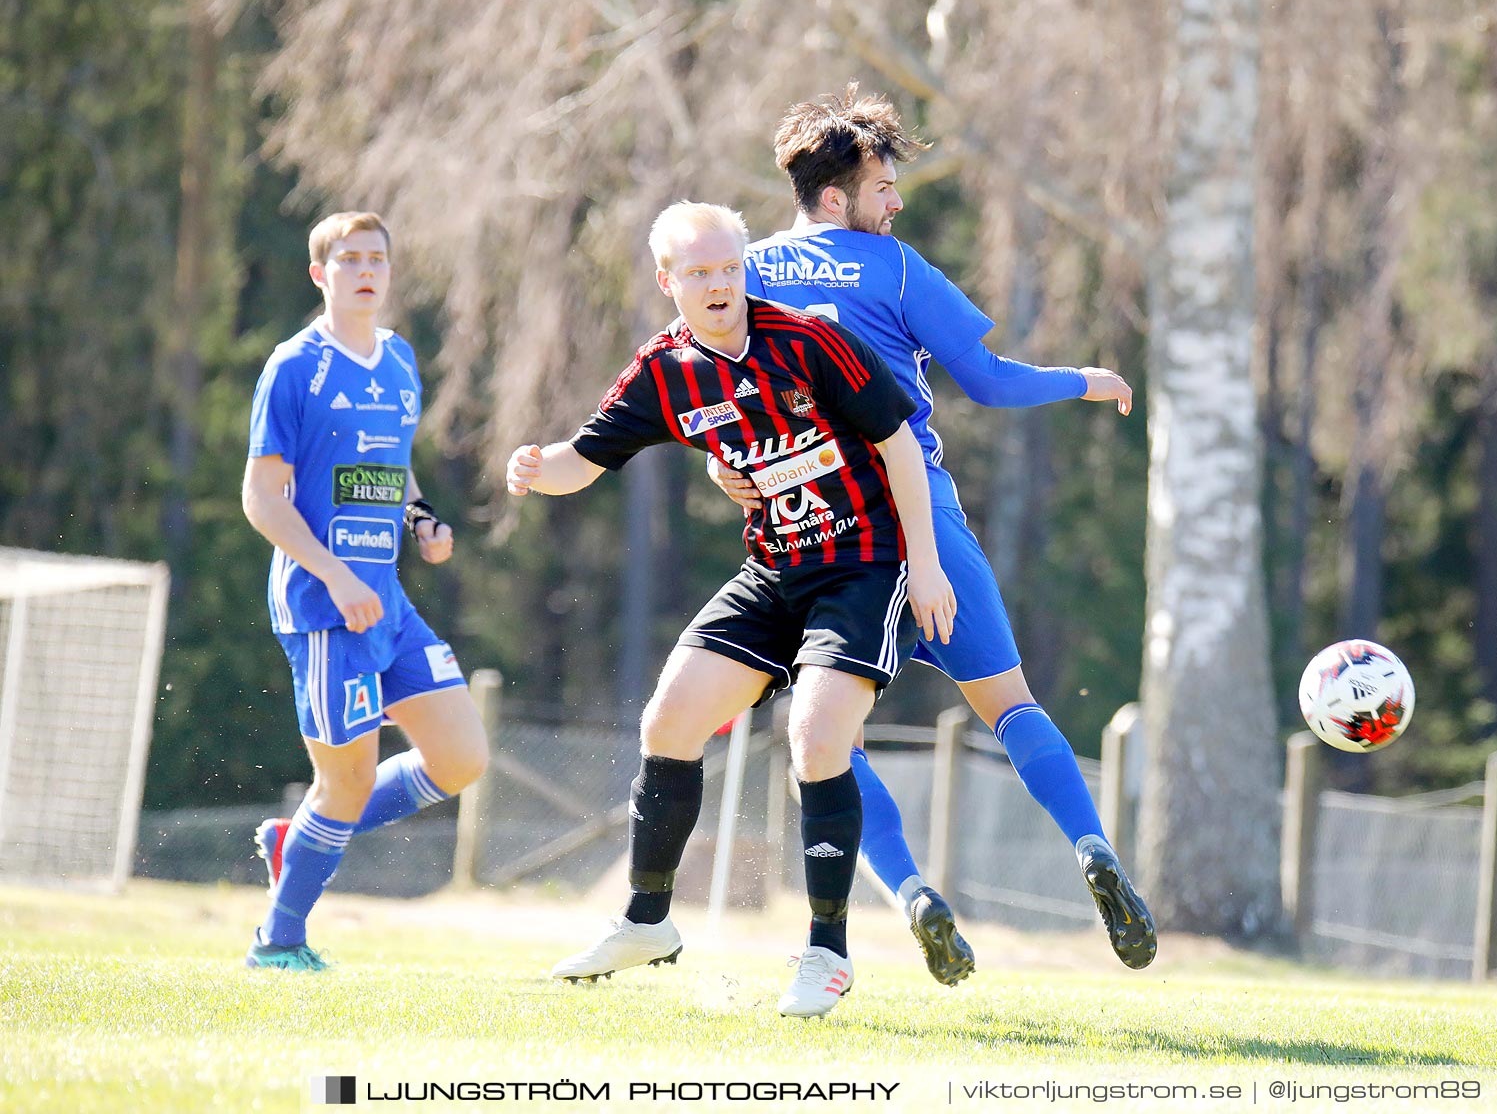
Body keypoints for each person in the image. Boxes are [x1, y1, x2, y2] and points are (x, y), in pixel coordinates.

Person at [713, 85, 1155, 979]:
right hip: (920, 519)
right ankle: (1092, 850)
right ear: (837, 198)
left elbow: (715, 398)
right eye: (883, 187)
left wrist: (730, 471)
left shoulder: (744, 274)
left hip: (816, 534)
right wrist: (1083, 379)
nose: (896, 201)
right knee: (1012, 705)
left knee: (829, 742)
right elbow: (988, 382)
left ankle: (912, 891)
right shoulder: (899, 269)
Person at [506, 201, 955, 1019]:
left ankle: (827, 953)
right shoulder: (663, 370)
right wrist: (537, 466)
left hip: (861, 565)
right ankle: (647, 923)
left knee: (817, 737)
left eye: (729, 268)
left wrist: (924, 565)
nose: (718, 285)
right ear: (667, 280)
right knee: (668, 721)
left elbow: (897, 441)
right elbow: (584, 459)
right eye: (700, 272)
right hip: (772, 570)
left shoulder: (808, 340)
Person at [241, 211, 489, 970]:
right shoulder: (294, 365)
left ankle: (306, 836)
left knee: (461, 758)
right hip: (324, 608)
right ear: (321, 275)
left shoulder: (401, 361)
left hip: (386, 602)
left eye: (376, 257)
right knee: (343, 781)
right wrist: (336, 574)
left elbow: (395, 466)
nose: (364, 270)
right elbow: (262, 499)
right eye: (347, 259)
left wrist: (422, 521)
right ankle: (277, 943)